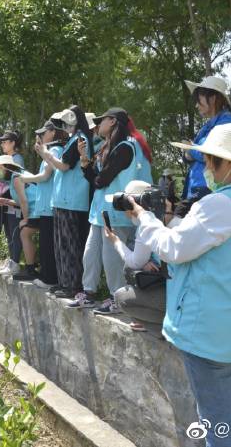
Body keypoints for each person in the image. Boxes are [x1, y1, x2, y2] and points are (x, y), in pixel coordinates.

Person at [130, 123, 231, 447]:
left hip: (210, 328)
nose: (205, 168)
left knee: (218, 424)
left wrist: (144, 219)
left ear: (228, 163)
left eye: (209, 161)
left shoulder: (220, 204)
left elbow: (173, 249)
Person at [70, 107, 153, 313]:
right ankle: (88, 293)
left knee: (112, 258)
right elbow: (97, 180)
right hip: (100, 212)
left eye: (102, 120)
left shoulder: (125, 148)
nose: (98, 125)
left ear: (113, 121)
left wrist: (88, 167)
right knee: (91, 253)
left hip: (116, 214)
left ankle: (117, 298)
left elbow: (100, 180)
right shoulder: (110, 147)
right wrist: (84, 160)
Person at [104, 180, 178, 332]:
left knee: (121, 295)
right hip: (185, 293)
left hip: (176, 297)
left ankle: (163, 329)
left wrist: (115, 241)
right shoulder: (172, 219)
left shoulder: (146, 227)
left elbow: (134, 262)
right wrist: (146, 262)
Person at [38, 107, 94, 304]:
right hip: (64, 200)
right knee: (61, 244)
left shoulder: (80, 139)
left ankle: (72, 285)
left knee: (70, 245)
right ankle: (64, 283)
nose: (64, 125)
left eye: (66, 120)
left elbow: (63, 166)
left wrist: (45, 153)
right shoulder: (73, 139)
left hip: (72, 201)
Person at [19, 121, 69, 288]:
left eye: (43, 133)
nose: (39, 136)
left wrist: (25, 179)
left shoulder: (54, 150)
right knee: (47, 242)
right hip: (48, 204)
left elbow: (45, 176)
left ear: (53, 133)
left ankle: (49, 278)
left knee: (48, 243)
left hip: (49, 205)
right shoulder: (52, 150)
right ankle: (48, 275)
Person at [180, 76, 231, 208]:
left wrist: (190, 149)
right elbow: (196, 153)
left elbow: (213, 153)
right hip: (198, 189)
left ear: (212, 98)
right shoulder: (209, 125)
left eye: (199, 100)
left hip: (208, 191)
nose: (196, 105)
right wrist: (189, 153)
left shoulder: (227, 123)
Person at [0, 155, 39, 281]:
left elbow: (23, 201)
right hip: (35, 209)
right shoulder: (14, 177)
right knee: (25, 234)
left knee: (24, 232)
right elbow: (20, 201)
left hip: (39, 209)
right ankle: (32, 266)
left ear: (7, 167)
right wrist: (6, 201)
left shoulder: (17, 178)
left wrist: (26, 219)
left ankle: (31, 269)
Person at [0, 130, 25, 275]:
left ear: (13, 143)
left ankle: (15, 263)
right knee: (9, 231)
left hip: (14, 199)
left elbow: (14, 179)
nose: (2, 144)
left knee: (15, 231)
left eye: (5, 141)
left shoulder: (17, 159)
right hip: (6, 199)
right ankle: (11, 261)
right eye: (1, 141)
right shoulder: (7, 158)